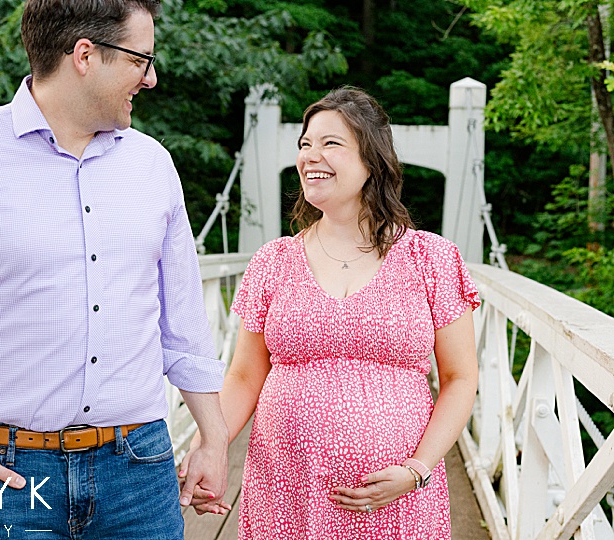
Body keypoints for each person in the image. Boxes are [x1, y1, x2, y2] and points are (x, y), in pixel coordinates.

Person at [0, 0, 229, 537]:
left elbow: (184, 326)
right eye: (140, 60)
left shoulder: (153, 166)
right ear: (84, 55)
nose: (151, 78)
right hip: (2, 479)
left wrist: (214, 439)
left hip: (139, 473)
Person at [181, 87, 480, 538]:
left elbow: (460, 378)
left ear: (371, 160)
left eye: (330, 143)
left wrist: (417, 469)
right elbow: (244, 376)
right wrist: (212, 444)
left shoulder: (430, 258)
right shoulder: (273, 260)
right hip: (286, 493)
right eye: (304, 144)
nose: (310, 156)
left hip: (396, 497)